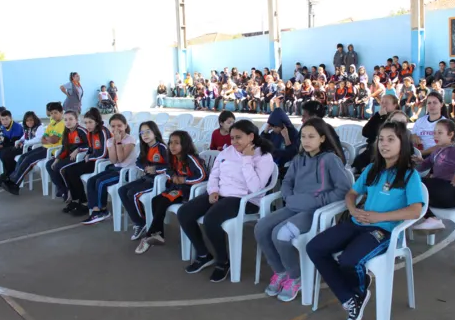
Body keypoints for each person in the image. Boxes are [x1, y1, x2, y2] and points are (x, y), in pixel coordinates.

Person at [307, 121, 425, 320]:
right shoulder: (372, 169)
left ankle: (357, 291)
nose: (384, 144)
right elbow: (352, 193)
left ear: (403, 143)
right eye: (381, 139)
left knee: (349, 260)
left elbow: (415, 210)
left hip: (384, 230)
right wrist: (352, 210)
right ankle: (351, 296)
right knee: (315, 247)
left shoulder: (409, 175)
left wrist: (379, 218)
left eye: (391, 140)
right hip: (358, 222)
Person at [255, 118, 352, 301]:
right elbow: (287, 181)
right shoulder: (299, 159)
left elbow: (343, 190)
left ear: (322, 138)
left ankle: (295, 275)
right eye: (303, 137)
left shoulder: (330, 159)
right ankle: (280, 271)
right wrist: (288, 197)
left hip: (314, 213)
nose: (306, 141)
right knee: (260, 228)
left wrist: (315, 201)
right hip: (293, 206)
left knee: (281, 234)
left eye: (311, 137)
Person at [177, 120, 276, 282]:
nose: (234, 142)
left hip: (245, 200)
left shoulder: (263, 156)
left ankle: (222, 262)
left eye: (238, 138)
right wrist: (213, 190)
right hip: (221, 194)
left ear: (251, 136)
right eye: (232, 138)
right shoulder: (226, 152)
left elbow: (255, 188)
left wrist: (247, 160)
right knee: (184, 212)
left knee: (211, 220)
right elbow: (214, 174)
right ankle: (203, 254)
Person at [135, 131, 208, 254]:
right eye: (170, 143)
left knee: (163, 201)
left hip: (189, 191)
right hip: (177, 188)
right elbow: (168, 169)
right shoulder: (173, 157)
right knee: (155, 200)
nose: (172, 146)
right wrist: (173, 175)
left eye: (176, 143)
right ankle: (158, 234)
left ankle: (150, 235)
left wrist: (185, 179)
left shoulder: (191, 158)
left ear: (184, 145)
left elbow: (203, 176)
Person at [412, 119, 455, 230]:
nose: (435, 136)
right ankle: (430, 218)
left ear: (451, 135)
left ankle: (431, 219)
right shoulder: (437, 151)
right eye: (434, 132)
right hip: (439, 190)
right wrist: (419, 161)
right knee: (411, 185)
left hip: (450, 191)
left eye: (440, 133)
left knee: (413, 185)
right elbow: (424, 166)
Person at [81, 113, 138, 225]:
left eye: (119, 126)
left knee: (101, 182)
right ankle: (96, 210)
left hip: (127, 172)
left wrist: (118, 142)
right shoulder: (110, 141)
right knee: (92, 180)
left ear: (125, 126)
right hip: (116, 169)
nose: (116, 129)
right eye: (113, 126)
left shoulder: (130, 140)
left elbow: (121, 159)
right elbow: (113, 160)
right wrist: (114, 142)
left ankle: (102, 210)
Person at [118, 121, 169, 240]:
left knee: (132, 193)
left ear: (155, 133)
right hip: (147, 178)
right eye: (142, 133)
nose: (144, 135)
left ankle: (142, 222)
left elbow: (170, 166)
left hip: (159, 182)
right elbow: (138, 162)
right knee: (122, 190)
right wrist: (145, 168)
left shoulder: (162, 148)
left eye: (148, 132)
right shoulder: (145, 147)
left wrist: (156, 169)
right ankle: (140, 222)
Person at [0, 102, 65, 192]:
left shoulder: (62, 124)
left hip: (52, 151)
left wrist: (47, 138)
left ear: (61, 112)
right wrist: (47, 138)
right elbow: (42, 139)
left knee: (28, 160)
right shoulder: (52, 123)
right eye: (52, 113)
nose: (53, 115)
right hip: (45, 147)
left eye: (56, 113)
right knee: (23, 156)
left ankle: (14, 184)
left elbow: (54, 140)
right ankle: (11, 179)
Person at [61, 108, 111, 216]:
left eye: (90, 122)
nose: (88, 125)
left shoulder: (102, 131)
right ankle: (76, 200)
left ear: (96, 122)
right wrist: (88, 154)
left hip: (102, 162)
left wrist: (90, 156)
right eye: (86, 122)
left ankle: (84, 203)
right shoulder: (90, 133)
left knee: (73, 172)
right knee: (67, 170)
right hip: (93, 160)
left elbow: (103, 153)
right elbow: (90, 148)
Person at [37, 110, 89, 199]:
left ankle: (70, 193)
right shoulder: (66, 131)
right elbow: (65, 147)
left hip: (79, 157)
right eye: (65, 120)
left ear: (76, 120)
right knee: (50, 164)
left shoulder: (81, 131)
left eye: (70, 119)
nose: (68, 122)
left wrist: (78, 149)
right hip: (69, 156)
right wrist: (57, 159)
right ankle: (64, 190)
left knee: (59, 167)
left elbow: (89, 145)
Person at [352, 95, 400, 171]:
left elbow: (386, 132)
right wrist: (377, 116)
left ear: (395, 105)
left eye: (387, 103)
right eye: (382, 102)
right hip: (372, 150)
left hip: (387, 151)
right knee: (358, 161)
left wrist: (383, 117)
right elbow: (365, 132)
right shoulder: (378, 116)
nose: (383, 105)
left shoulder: (398, 118)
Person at [0, 111, 42, 179]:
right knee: (6, 152)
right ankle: (8, 173)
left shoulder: (39, 127)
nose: (29, 122)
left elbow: (38, 139)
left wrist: (25, 142)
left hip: (32, 148)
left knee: (8, 154)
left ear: (35, 120)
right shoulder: (28, 128)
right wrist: (19, 141)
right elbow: (23, 137)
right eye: (27, 121)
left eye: (31, 120)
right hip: (25, 146)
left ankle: (10, 174)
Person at [262, 108, 300, 173]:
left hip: (284, 165)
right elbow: (261, 144)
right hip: (271, 161)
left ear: (283, 125)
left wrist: (286, 138)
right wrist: (265, 132)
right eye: (272, 127)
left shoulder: (293, 134)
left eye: (276, 127)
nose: (273, 129)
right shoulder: (274, 133)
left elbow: (292, 153)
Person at [411, 91, 448, 156]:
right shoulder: (420, 121)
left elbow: (443, 145)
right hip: (419, 153)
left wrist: (422, 153)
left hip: (438, 156)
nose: (432, 105)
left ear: (441, 104)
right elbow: (412, 135)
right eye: (429, 103)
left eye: (435, 103)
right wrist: (414, 137)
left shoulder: (445, 123)